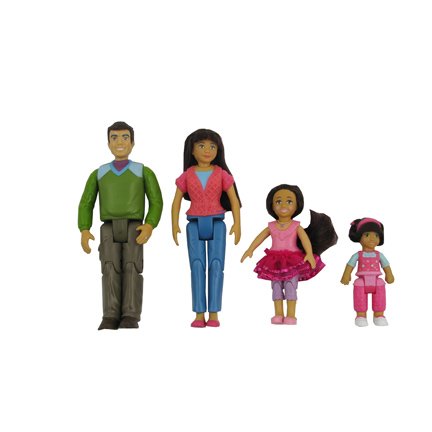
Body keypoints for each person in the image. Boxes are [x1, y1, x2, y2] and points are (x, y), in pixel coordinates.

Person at [78, 121, 163, 330]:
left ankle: (131, 314)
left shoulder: (142, 171)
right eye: (114, 138)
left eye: (125, 137)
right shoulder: (99, 173)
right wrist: (84, 228)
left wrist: (150, 224)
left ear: (132, 142)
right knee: (109, 267)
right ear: (108, 143)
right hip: (108, 227)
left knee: (132, 267)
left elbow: (156, 201)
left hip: (135, 227)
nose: (120, 142)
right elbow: (86, 202)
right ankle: (110, 314)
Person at [171, 129, 241, 328]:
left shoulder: (221, 174)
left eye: (212, 146)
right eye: (201, 146)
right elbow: (176, 202)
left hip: (217, 223)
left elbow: (234, 200)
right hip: (193, 224)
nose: (207, 150)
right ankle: (199, 313)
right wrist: (174, 224)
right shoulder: (187, 175)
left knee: (217, 265)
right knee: (196, 266)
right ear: (192, 150)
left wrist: (237, 223)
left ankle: (214, 312)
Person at [241, 184, 337, 325]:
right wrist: (250, 249)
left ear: (297, 205)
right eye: (278, 201)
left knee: (291, 285)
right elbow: (259, 238)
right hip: (274, 261)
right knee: (276, 287)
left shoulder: (296, 226)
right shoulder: (271, 226)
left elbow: (305, 240)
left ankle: (291, 315)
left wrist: (309, 254)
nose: (283, 205)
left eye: (289, 201)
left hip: (293, 261)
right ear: (272, 206)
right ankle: (278, 314)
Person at [340, 218, 395, 327]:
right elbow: (350, 265)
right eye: (367, 235)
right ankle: (361, 315)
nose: (372, 238)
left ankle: (379, 315)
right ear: (359, 237)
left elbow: (386, 265)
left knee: (380, 289)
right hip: (362, 280)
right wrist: (346, 275)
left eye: (376, 235)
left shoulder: (379, 255)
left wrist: (389, 274)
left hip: (376, 280)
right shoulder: (358, 255)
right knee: (359, 290)